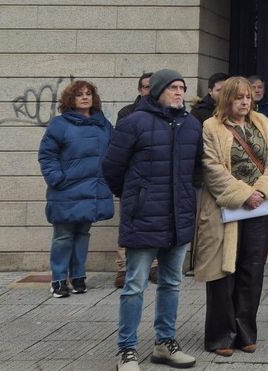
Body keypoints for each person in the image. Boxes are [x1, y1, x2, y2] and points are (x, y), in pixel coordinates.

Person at [102, 69, 203, 371]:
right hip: (145, 216)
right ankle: (127, 349)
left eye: (182, 88)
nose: (178, 92)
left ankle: (165, 342)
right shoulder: (134, 123)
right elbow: (111, 168)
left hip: (178, 216)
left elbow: (197, 168)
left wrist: (185, 197)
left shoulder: (191, 125)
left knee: (171, 282)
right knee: (134, 284)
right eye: (173, 87)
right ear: (157, 90)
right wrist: (136, 196)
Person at [194, 77, 268, 356]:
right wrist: (245, 194)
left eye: (248, 97)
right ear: (226, 99)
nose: (245, 102)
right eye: (238, 97)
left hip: (259, 209)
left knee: (251, 270)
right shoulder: (211, 127)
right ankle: (220, 336)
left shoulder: (264, 124)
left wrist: (263, 191)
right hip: (226, 208)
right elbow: (212, 168)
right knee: (223, 271)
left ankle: (245, 333)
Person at [37, 79, 114, 298]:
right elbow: (47, 155)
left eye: (88, 93)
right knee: (63, 236)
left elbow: (115, 150)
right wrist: (57, 178)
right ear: (71, 99)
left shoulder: (103, 124)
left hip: (93, 189)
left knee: (82, 233)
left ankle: (78, 276)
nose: (84, 97)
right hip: (66, 189)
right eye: (79, 94)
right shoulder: (60, 124)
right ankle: (59, 280)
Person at [114, 72, 155, 288]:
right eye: (145, 87)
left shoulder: (169, 113)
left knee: (155, 222)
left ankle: (155, 266)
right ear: (140, 90)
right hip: (133, 178)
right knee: (127, 222)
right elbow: (119, 150)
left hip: (157, 179)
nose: (149, 90)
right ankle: (123, 267)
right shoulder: (127, 113)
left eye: (153, 86)